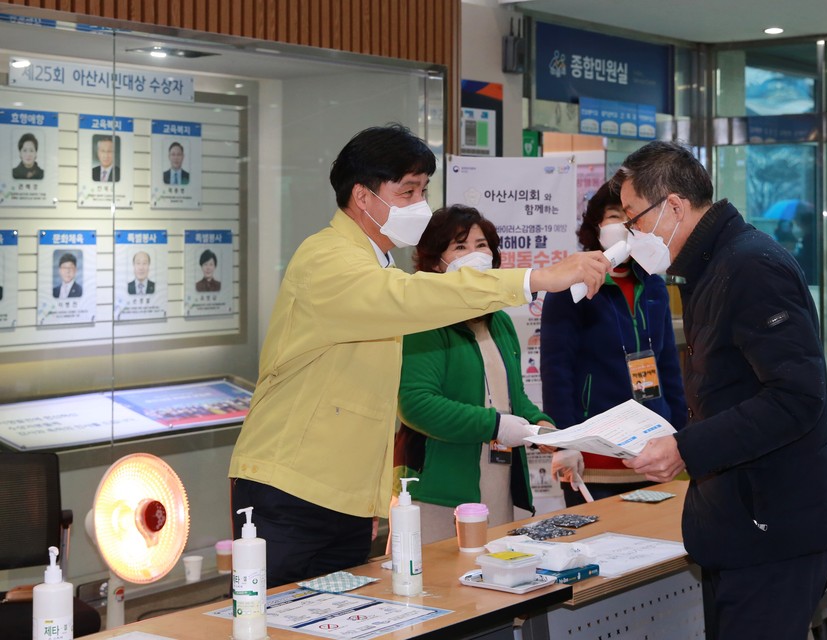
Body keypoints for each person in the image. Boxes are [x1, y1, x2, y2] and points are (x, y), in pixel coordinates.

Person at [227, 124, 608, 587]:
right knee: (278, 620)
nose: (419, 205)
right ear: (363, 197)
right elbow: (410, 299)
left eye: (424, 190)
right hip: (290, 486)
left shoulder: (374, 263)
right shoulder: (326, 258)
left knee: (339, 620)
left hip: (343, 494)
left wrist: (367, 501)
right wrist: (534, 279)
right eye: (407, 191)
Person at [611, 141, 827, 640]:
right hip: (740, 524)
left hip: (775, 527)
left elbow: (796, 398)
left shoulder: (749, 266)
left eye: (634, 219)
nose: (631, 234)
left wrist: (685, 447)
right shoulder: (708, 267)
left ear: (674, 206)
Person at [393, 205, 554, 543]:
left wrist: (547, 430)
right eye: (460, 247)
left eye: (482, 245)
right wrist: (494, 425)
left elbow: (513, 399)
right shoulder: (425, 322)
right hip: (439, 493)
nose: (476, 255)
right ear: (437, 262)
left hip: (500, 483)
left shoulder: (501, 322)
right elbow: (416, 404)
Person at [541, 182, 687, 507]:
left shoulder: (653, 284)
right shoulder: (572, 288)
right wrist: (566, 442)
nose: (622, 224)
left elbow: (668, 367)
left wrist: (680, 433)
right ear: (596, 226)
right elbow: (556, 371)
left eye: (629, 215)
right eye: (613, 215)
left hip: (654, 448)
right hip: (595, 454)